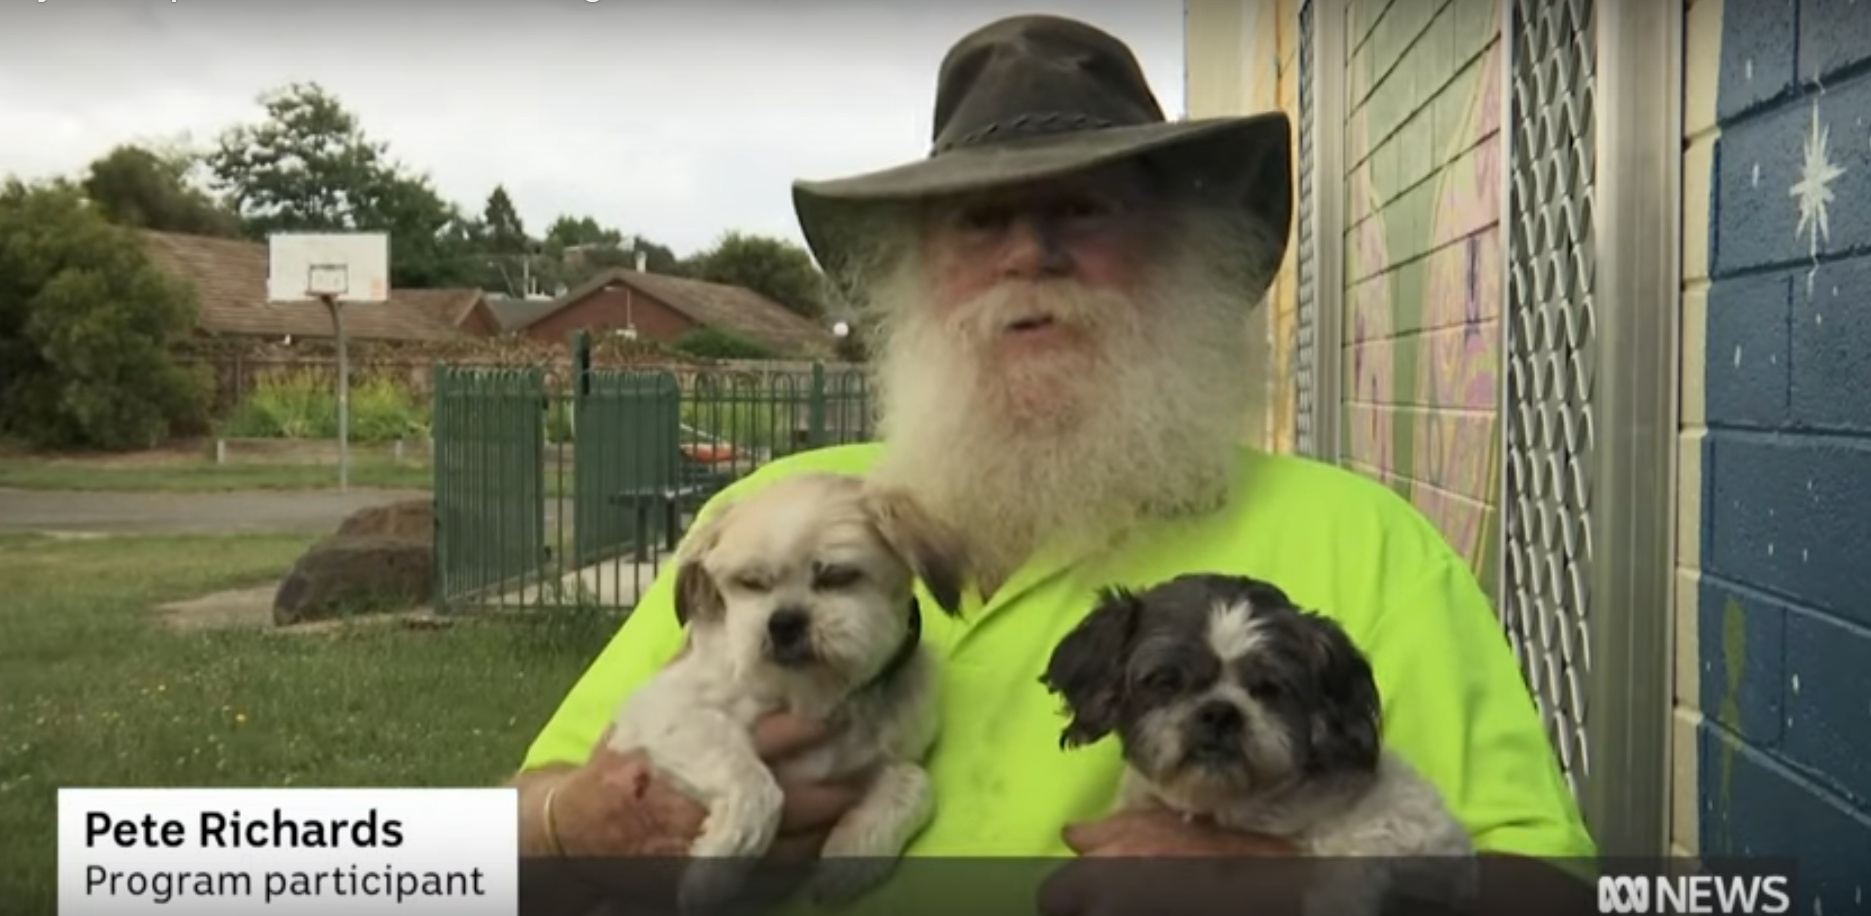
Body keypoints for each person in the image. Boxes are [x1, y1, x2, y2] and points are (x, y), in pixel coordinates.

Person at [509, 13, 1597, 916]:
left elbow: (1557, 894)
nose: (1029, 254)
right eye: (979, 220)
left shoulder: (1358, 543)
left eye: (1082, 208)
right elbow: (503, 835)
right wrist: (580, 824)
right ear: (911, 281)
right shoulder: (767, 520)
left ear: (1186, 250)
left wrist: (1273, 881)